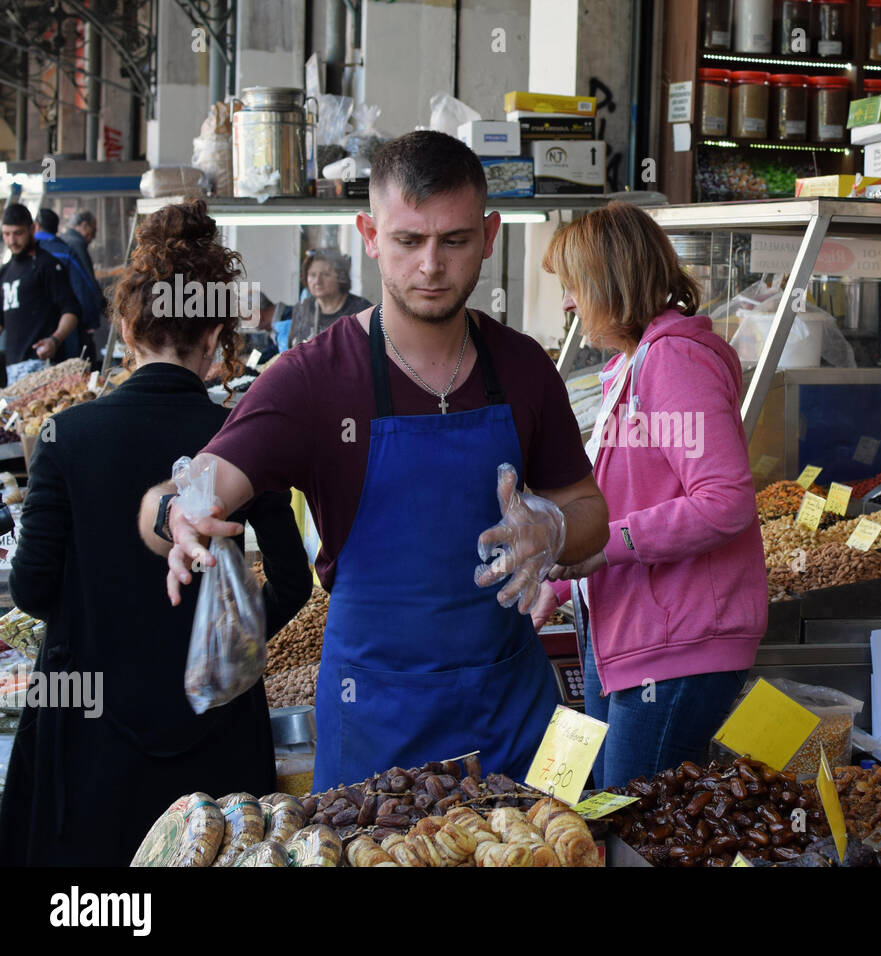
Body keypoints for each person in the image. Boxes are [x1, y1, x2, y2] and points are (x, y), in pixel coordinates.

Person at [139, 130, 609, 789]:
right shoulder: (313, 380)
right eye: (408, 241)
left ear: (491, 234)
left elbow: (591, 512)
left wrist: (555, 529)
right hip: (377, 724)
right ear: (368, 233)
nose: (431, 266)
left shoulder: (525, 367)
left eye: (455, 240)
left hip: (516, 715)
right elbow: (177, 494)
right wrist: (175, 515)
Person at [0, 199, 313, 866]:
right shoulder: (243, 439)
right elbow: (292, 580)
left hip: (91, 739)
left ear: (128, 328)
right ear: (215, 336)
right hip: (220, 737)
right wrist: (230, 641)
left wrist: (98, 613)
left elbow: (29, 588)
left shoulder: (65, 438)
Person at [534, 202, 767, 789]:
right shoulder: (628, 367)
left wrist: (607, 545)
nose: (567, 302)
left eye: (573, 286)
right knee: (594, 806)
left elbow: (725, 500)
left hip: (677, 643)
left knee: (629, 819)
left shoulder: (674, 360)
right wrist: (558, 580)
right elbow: (625, 496)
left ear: (611, 284)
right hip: (621, 633)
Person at [0, 204, 79, 384]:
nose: (12, 240)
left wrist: (55, 340)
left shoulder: (48, 265)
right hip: (13, 368)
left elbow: (71, 310)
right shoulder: (4, 272)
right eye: (6, 234)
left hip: (43, 366)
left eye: (18, 233)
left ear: (32, 228)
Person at [35, 208, 101, 357]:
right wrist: (91, 322)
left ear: (36, 226)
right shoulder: (64, 251)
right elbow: (83, 287)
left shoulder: (23, 256)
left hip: (30, 336)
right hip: (64, 330)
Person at [286, 248, 371, 348]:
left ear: (341, 277)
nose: (317, 281)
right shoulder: (302, 309)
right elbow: (293, 350)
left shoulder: (362, 311)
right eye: (312, 275)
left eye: (326, 275)